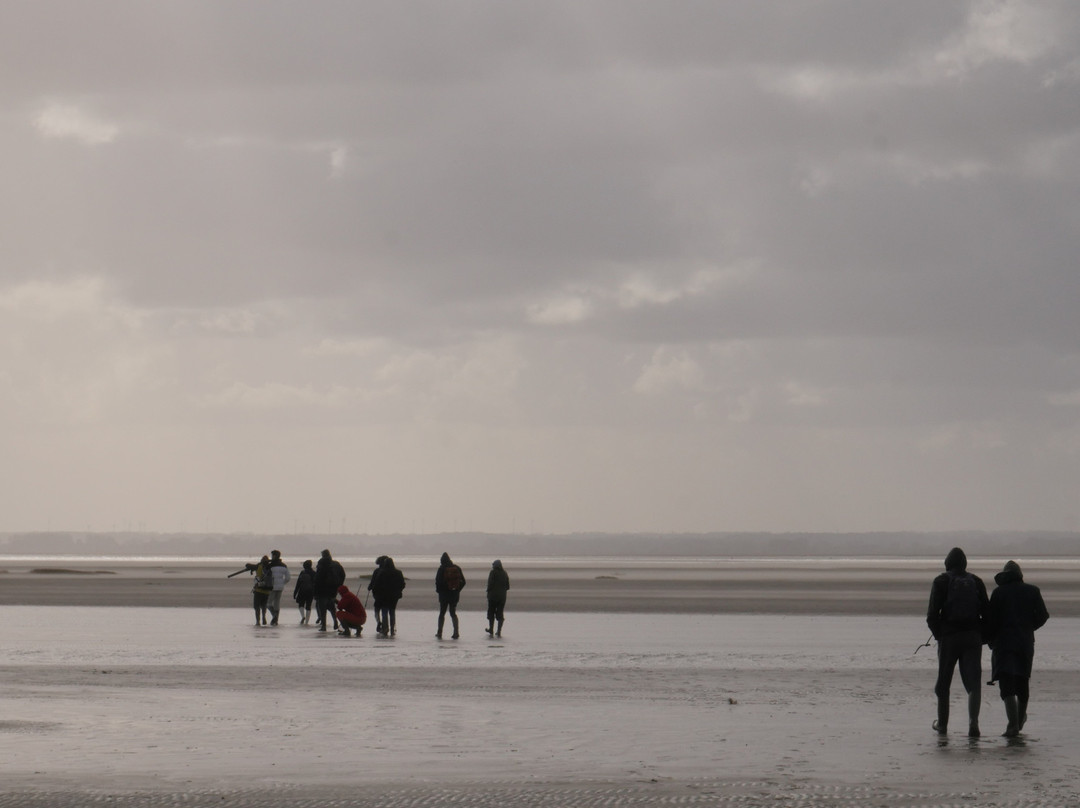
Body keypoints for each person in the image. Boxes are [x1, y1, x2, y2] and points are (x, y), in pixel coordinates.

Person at [926, 547, 990, 737]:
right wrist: (981, 637)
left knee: (943, 684)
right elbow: (987, 613)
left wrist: (940, 635)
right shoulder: (976, 581)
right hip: (972, 636)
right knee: (973, 683)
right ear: (964, 564)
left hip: (949, 637)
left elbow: (931, 615)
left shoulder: (941, 581)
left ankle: (942, 726)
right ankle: (973, 723)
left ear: (947, 564)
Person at [986, 560, 1049, 737]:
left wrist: (989, 640)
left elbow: (992, 622)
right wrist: (1029, 628)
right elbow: (1043, 616)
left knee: (1007, 684)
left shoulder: (999, 593)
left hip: (1004, 644)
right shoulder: (1033, 591)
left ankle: (1012, 724)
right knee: (1022, 681)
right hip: (1025, 643)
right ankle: (1019, 723)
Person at [372, 556, 406, 637]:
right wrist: (399, 591)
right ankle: (392, 629)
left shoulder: (381, 572)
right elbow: (402, 584)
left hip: (384, 595)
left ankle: (385, 628)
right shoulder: (398, 572)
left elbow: (377, 584)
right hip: (394, 596)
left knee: (384, 612)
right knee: (392, 612)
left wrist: (376, 593)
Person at [435, 552, 465, 639]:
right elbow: (464, 582)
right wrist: (457, 590)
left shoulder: (441, 569)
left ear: (442, 561)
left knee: (442, 613)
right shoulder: (457, 568)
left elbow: (438, 582)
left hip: (444, 595)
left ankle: (439, 632)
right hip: (454, 595)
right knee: (453, 613)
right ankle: (456, 632)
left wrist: (439, 591)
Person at [314, 549, 344, 633]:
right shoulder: (336, 564)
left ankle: (324, 626)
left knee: (322, 608)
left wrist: (315, 591)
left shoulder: (321, 563)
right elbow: (343, 575)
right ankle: (335, 621)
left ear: (323, 555)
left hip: (322, 589)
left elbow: (318, 578)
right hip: (333, 589)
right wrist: (339, 585)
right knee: (331, 606)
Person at [485, 559, 510, 637]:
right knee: (500, 614)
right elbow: (508, 586)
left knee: (491, 613)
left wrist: (488, 591)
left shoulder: (493, 573)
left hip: (492, 597)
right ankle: (499, 631)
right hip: (502, 598)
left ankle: (491, 629)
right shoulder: (504, 573)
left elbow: (490, 583)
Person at [266, 550, 290, 626]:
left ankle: (274, 616)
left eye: (272, 555)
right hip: (280, 586)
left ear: (274, 556)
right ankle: (276, 620)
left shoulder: (270, 566)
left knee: (268, 603)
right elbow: (288, 577)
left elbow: (266, 575)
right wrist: (283, 583)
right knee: (277, 603)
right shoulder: (284, 565)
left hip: (272, 586)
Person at [248, 555, 272, 626]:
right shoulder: (270, 568)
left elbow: (258, 577)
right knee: (264, 605)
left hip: (259, 590)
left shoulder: (259, 567)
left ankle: (258, 621)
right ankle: (264, 617)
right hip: (267, 590)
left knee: (257, 606)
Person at [367, 556, 388, 634]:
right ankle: (385, 628)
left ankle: (378, 622)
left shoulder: (377, 571)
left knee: (376, 610)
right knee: (384, 611)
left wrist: (369, 588)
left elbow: (372, 581)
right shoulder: (387, 571)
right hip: (386, 595)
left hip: (377, 594)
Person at [293, 559, 315, 625]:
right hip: (310, 591)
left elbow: (298, 583)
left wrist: (295, 592)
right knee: (308, 606)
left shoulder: (302, 573)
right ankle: (307, 622)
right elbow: (315, 583)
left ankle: (303, 616)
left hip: (302, 590)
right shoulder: (314, 573)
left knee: (301, 604)